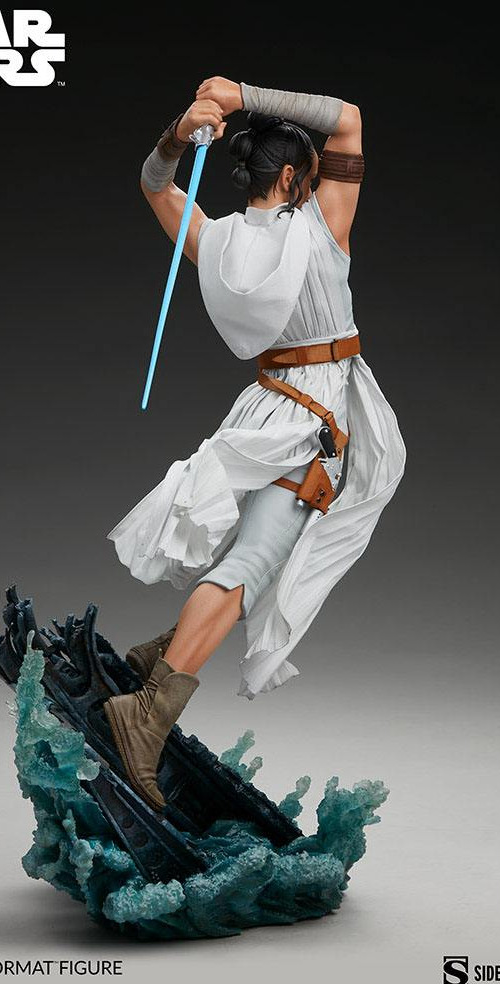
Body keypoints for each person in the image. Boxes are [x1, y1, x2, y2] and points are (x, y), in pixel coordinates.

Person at [103, 77, 407, 811]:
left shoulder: (214, 239)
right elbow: (349, 117)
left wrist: (177, 136)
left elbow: (153, 183)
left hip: (269, 408)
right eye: (313, 172)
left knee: (258, 563)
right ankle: (145, 716)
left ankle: (157, 657)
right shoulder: (321, 227)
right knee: (253, 564)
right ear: (297, 175)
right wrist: (242, 94)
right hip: (312, 420)